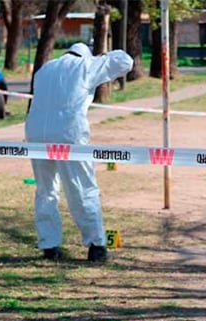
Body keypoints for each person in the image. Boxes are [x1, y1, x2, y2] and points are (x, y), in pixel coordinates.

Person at [25, 42, 133, 262]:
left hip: (36, 133)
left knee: (46, 191)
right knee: (82, 188)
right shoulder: (86, 66)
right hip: (68, 134)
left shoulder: (45, 69)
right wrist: (103, 56)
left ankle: (49, 245)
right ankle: (96, 245)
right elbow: (125, 62)